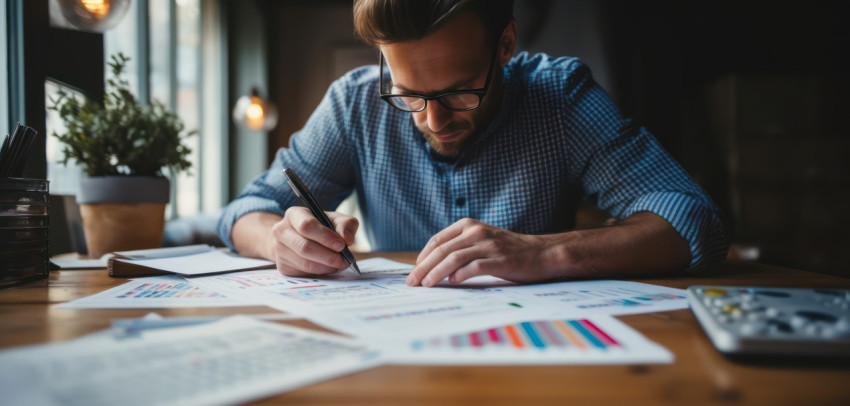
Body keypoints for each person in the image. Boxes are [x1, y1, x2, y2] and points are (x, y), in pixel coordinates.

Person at [218, 0, 729, 287]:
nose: (435, 119)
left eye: (460, 91)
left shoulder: (561, 99)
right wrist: (281, 240)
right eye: (409, 93)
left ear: (505, 44)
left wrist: (544, 254)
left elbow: (693, 220)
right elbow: (248, 209)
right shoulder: (354, 104)